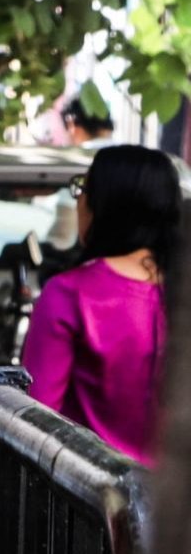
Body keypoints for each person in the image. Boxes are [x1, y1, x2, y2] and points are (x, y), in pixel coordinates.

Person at [22, 145, 177, 464]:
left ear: (103, 204)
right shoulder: (181, 294)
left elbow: (37, 417)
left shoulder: (69, 293)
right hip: (174, 505)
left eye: (83, 188)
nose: (79, 199)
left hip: (91, 500)